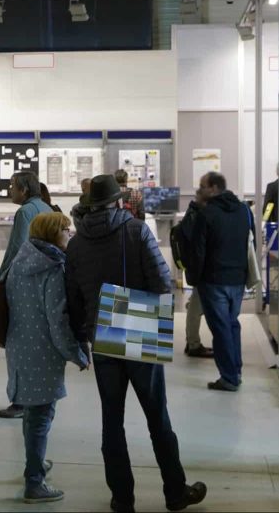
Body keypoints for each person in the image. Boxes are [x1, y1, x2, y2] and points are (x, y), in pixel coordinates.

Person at [66, 174, 207, 513]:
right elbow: (162, 281)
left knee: (111, 420)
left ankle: (122, 498)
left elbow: (72, 299)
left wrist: (81, 337)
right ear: (118, 201)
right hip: (137, 324)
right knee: (157, 415)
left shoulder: (76, 243)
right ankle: (175, 492)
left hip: (101, 332)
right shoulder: (135, 230)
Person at [5, 212, 89, 504]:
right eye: (67, 230)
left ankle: (36, 464)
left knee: (32, 412)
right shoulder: (53, 268)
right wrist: (76, 354)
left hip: (19, 346)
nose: (70, 234)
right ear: (55, 233)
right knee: (41, 416)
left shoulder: (20, 261)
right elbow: (57, 320)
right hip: (43, 350)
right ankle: (34, 482)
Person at [186, 172, 253, 392]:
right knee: (232, 324)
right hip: (237, 279)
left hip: (214, 280)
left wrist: (193, 278)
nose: (200, 189)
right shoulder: (244, 211)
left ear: (214, 188)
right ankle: (236, 371)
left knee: (221, 328)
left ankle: (229, 377)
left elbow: (198, 251)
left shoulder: (207, 214)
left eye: (202, 186)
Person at [0, 171, 53, 419]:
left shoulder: (24, 212)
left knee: (17, 345)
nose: (10, 190)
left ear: (24, 190)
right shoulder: (48, 209)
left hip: (23, 286)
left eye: (12, 186)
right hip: (46, 284)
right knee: (40, 344)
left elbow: (16, 249)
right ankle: (38, 398)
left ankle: (19, 401)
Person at [175, 189, 213, 358]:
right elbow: (197, 246)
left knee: (195, 306)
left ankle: (192, 342)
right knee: (196, 308)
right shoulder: (196, 216)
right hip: (201, 269)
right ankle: (193, 344)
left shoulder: (193, 214)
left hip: (198, 268)